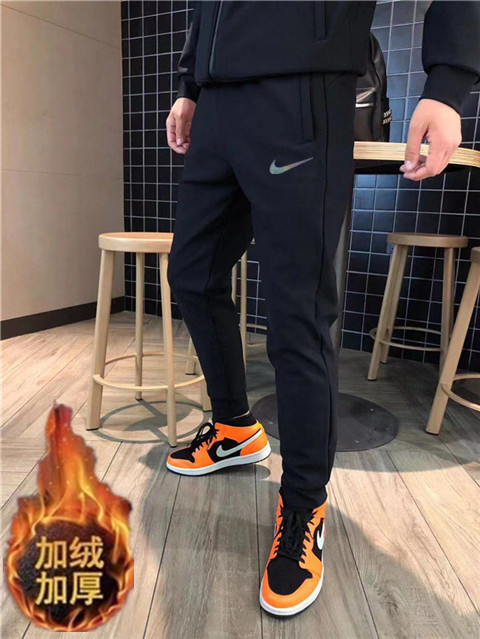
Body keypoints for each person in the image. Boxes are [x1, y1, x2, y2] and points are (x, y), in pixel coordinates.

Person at [164, 1, 480, 616]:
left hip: (302, 94)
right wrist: (189, 85)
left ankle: (305, 501)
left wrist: (448, 84)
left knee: (297, 311)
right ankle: (234, 428)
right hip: (218, 102)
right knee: (193, 276)